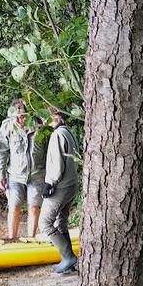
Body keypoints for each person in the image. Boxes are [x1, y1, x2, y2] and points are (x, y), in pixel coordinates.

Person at [0, 100, 47, 239]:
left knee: (34, 207)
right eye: (17, 116)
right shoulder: (7, 127)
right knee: (14, 207)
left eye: (23, 116)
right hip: (15, 176)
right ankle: (12, 239)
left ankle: (31, 239)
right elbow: (1, 151)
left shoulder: (41, 125)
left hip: (37, 175)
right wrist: (0, 175)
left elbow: (50, 151)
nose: (20, 119)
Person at [39, 106, 79, 273]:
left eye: (43, 118)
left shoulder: (57, 135)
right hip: (72, 184)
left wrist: (50, 183)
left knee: (45, 223)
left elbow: (57, 165)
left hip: (61, 186)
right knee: (60, 222)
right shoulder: (68, 131)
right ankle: (68, 261)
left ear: (52, 117)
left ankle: (68, 257)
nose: (41, 122)